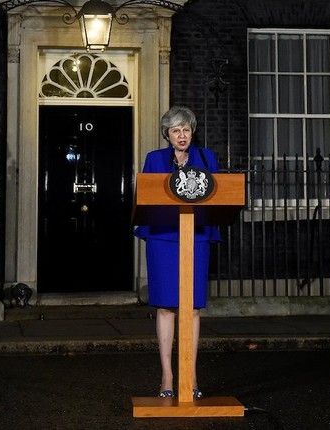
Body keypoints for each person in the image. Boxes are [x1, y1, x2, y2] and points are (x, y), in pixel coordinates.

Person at [134, 106, 221, 399]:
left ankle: (192, 376)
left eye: (185, 130)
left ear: (191, 131)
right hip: (163, 238)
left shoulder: (207, 158)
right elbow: (145, 198)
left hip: (195, 237)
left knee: (193, 308)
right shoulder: (154, 159)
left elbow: (220, 196)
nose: (181, 135)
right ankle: (167, 377)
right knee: (166, 307)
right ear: (167, 135)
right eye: (175, 131)